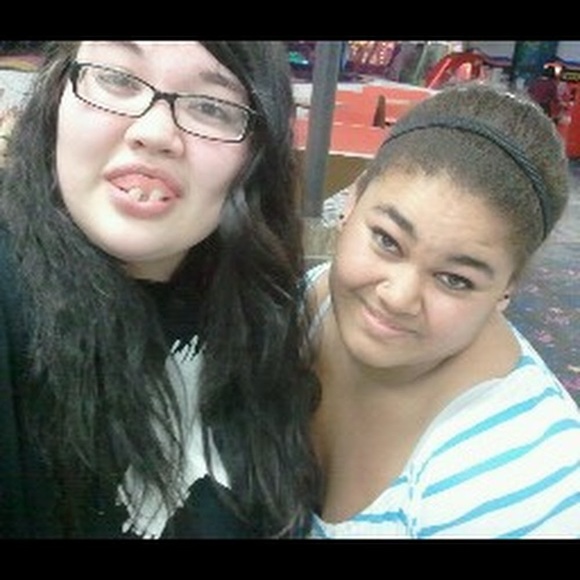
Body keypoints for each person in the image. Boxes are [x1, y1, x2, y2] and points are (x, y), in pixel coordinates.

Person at [0, 40, 320, 539]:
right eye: (117, 79)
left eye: (211, 107)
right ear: (57, 91)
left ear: (258, 154)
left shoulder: (271, 318)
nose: (154, 133)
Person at [304, 82, 580, 538]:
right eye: (387, 240)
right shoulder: (304, 307)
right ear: (351, 203)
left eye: (455, 279)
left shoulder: (521, 486)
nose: (398, 297)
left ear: (507, 289)